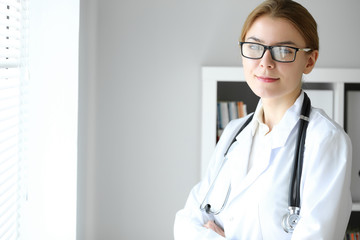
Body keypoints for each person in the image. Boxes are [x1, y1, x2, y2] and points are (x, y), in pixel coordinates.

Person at [174, 0, 353, 239]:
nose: (265, 62)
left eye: (284, 51)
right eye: (254, 47)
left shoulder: (325, 141)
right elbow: (186, 223)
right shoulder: (234, 131)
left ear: (309, 61)